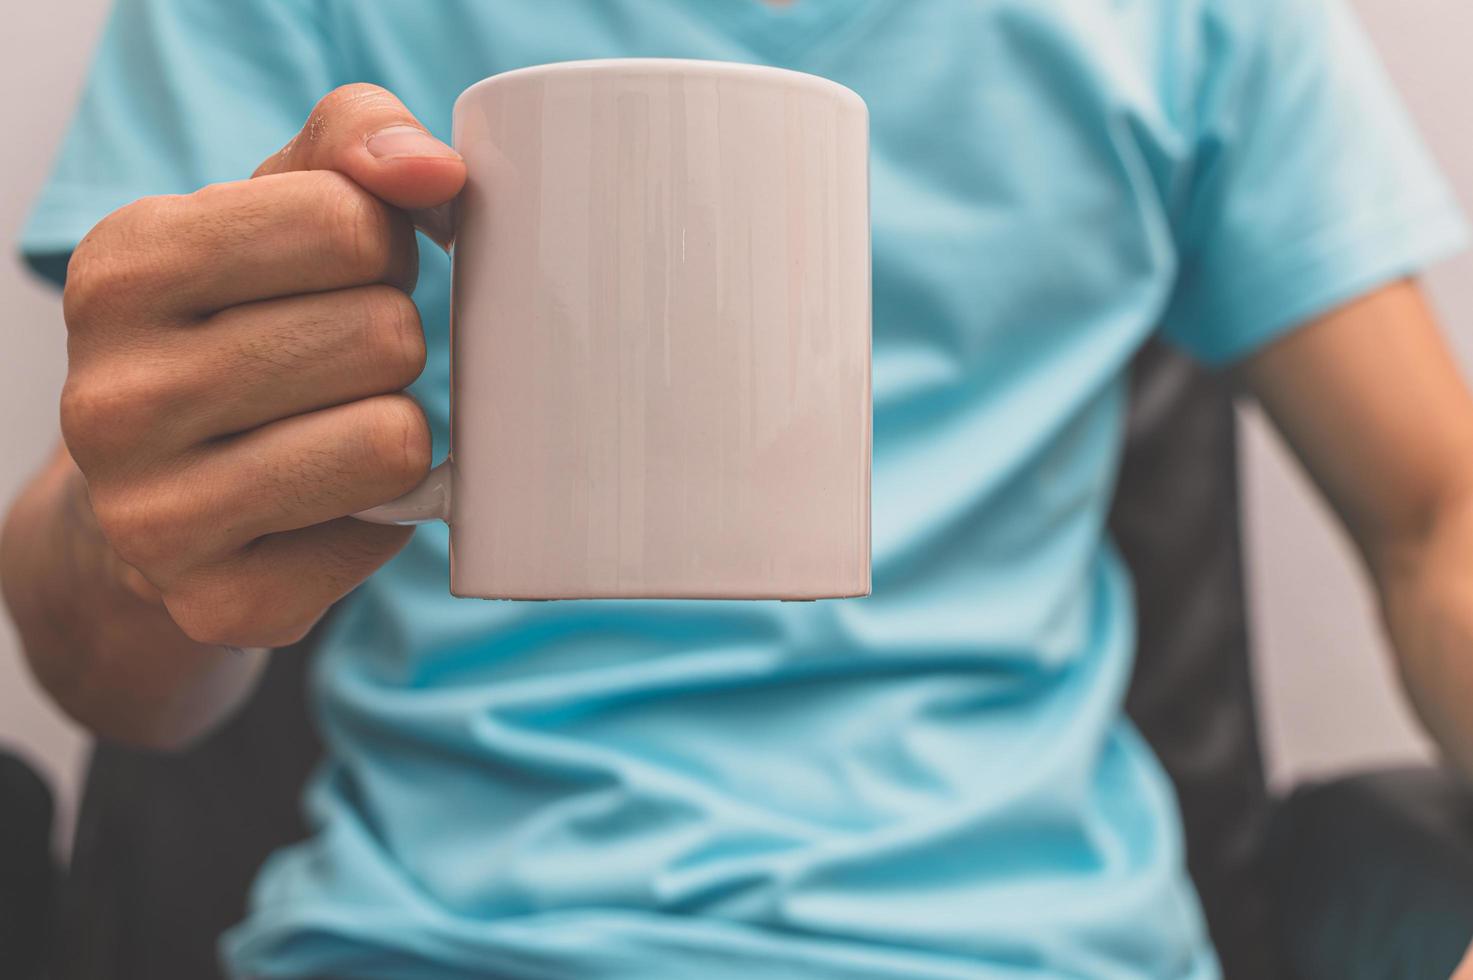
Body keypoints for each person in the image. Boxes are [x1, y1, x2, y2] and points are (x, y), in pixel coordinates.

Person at [3, 0, 1471, 977]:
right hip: (426, 944)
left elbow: (1437, 520)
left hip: (1033, 948)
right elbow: (115, 645)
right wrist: (133, 539)